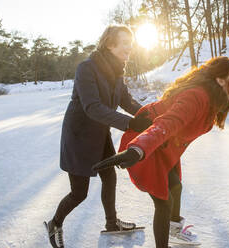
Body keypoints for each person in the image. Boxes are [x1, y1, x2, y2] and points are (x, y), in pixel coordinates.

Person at [92, 56, 229, 248]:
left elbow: (214, 110)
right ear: (221, 80)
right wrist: (138, 148)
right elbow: (167, 123)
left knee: (175, 187)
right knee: (164, 202)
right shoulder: (196, 96)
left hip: (164, 145)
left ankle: (174, 231)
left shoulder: (213, 96)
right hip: (148, 140)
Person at [44, 25, 152, 248]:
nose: (129, 49)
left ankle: (112, 223)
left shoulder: (117, 71)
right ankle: (55, 224)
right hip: (79, 136)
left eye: (131, 44)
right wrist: (131, 123)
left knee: (109, 176)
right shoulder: (87, 68)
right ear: (110, 44)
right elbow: (92, 107)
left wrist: (151, 116)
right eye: (125, 44)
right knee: (79, 193)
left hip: (99, 133)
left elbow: (127, 100)